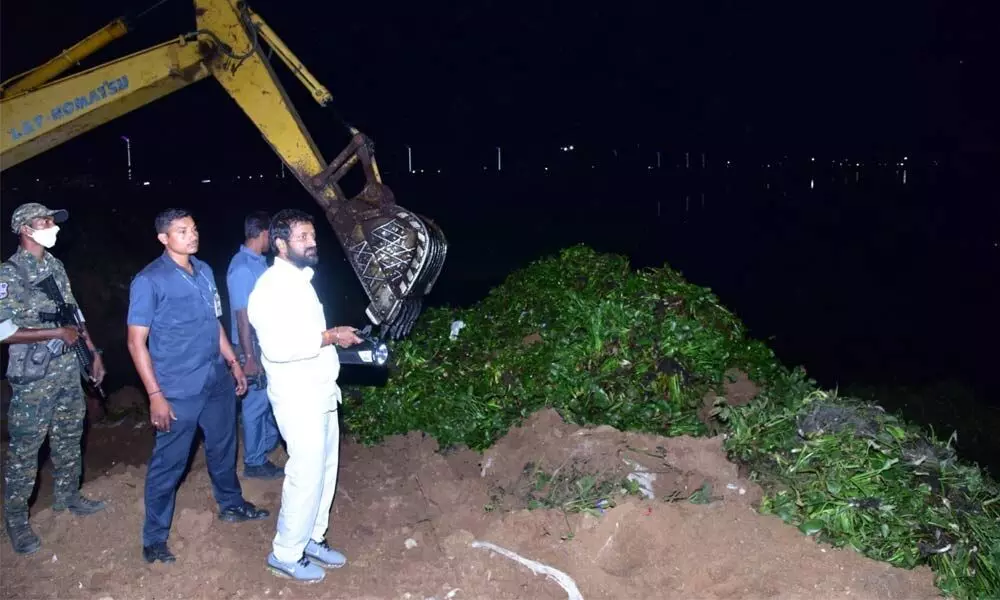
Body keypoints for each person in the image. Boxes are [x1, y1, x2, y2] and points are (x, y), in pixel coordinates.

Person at [126, 208, 270, 564]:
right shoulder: (149, 281)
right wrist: (155, 396)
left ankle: (232, 505)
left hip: (215, 379)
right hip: (178, 388)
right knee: (169, 463)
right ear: (163, 238)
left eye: (193, 228)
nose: (192, 235)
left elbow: (215, 322)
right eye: (182, 231)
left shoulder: (204, 271)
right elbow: (135, 342)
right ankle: (155, 538)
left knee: (222, 447)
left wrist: (234, 363)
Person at [248, 209, 362, 582]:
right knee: (305, 473)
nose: (312, 242)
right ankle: (285, 552)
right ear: (280, 244)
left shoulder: (300, 282)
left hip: (321, 392)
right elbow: (279, 347)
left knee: (326, 471)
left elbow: (305, 334)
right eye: (302, 237)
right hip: (298, 398)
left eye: (313, 236)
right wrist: (329, 337)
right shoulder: (269, 289)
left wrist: (333, 334)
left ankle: (312, 538)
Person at [0, 202, 108, 555]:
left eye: (52, 220)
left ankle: (68, 497)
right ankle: (16, 522)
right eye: (44, 222)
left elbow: (73, 312)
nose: (52, 226)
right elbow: (3, 331)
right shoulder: (9, 274)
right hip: (34, 377)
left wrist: (92, 352)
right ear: (25, 229)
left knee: (68, 435)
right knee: (25, 451)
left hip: (66, 370)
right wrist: (53, 334)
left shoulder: (56, 266)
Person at [226, 211, 282, 479]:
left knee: (269, 401)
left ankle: (263, 445)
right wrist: (249, 356)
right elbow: (241, 315)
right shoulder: (241, 268)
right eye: (271, 234)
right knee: (256, 404)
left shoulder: (259, 263)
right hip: (253, 347)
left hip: (265, 342)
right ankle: (254, 461)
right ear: (263, 233)